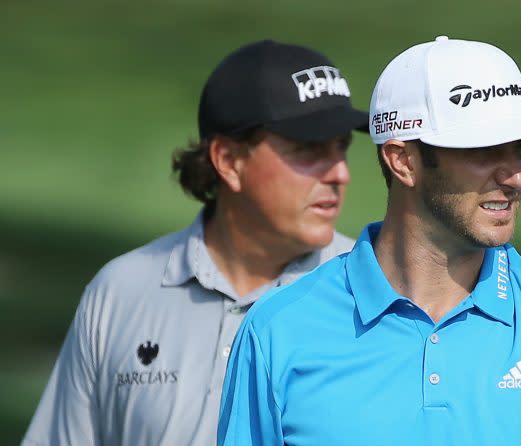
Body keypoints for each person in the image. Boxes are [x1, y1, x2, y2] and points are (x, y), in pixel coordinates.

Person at [218, 36, 521, 446]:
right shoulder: (278, 329)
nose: (515, 176)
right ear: (402, 160)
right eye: (483, 150)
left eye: (519, 149)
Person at [22, 40, 368, 446]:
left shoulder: (373, 296)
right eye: (309, 150)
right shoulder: (119, 292)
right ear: (228, 161)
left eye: (341, 148)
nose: (340, 173)